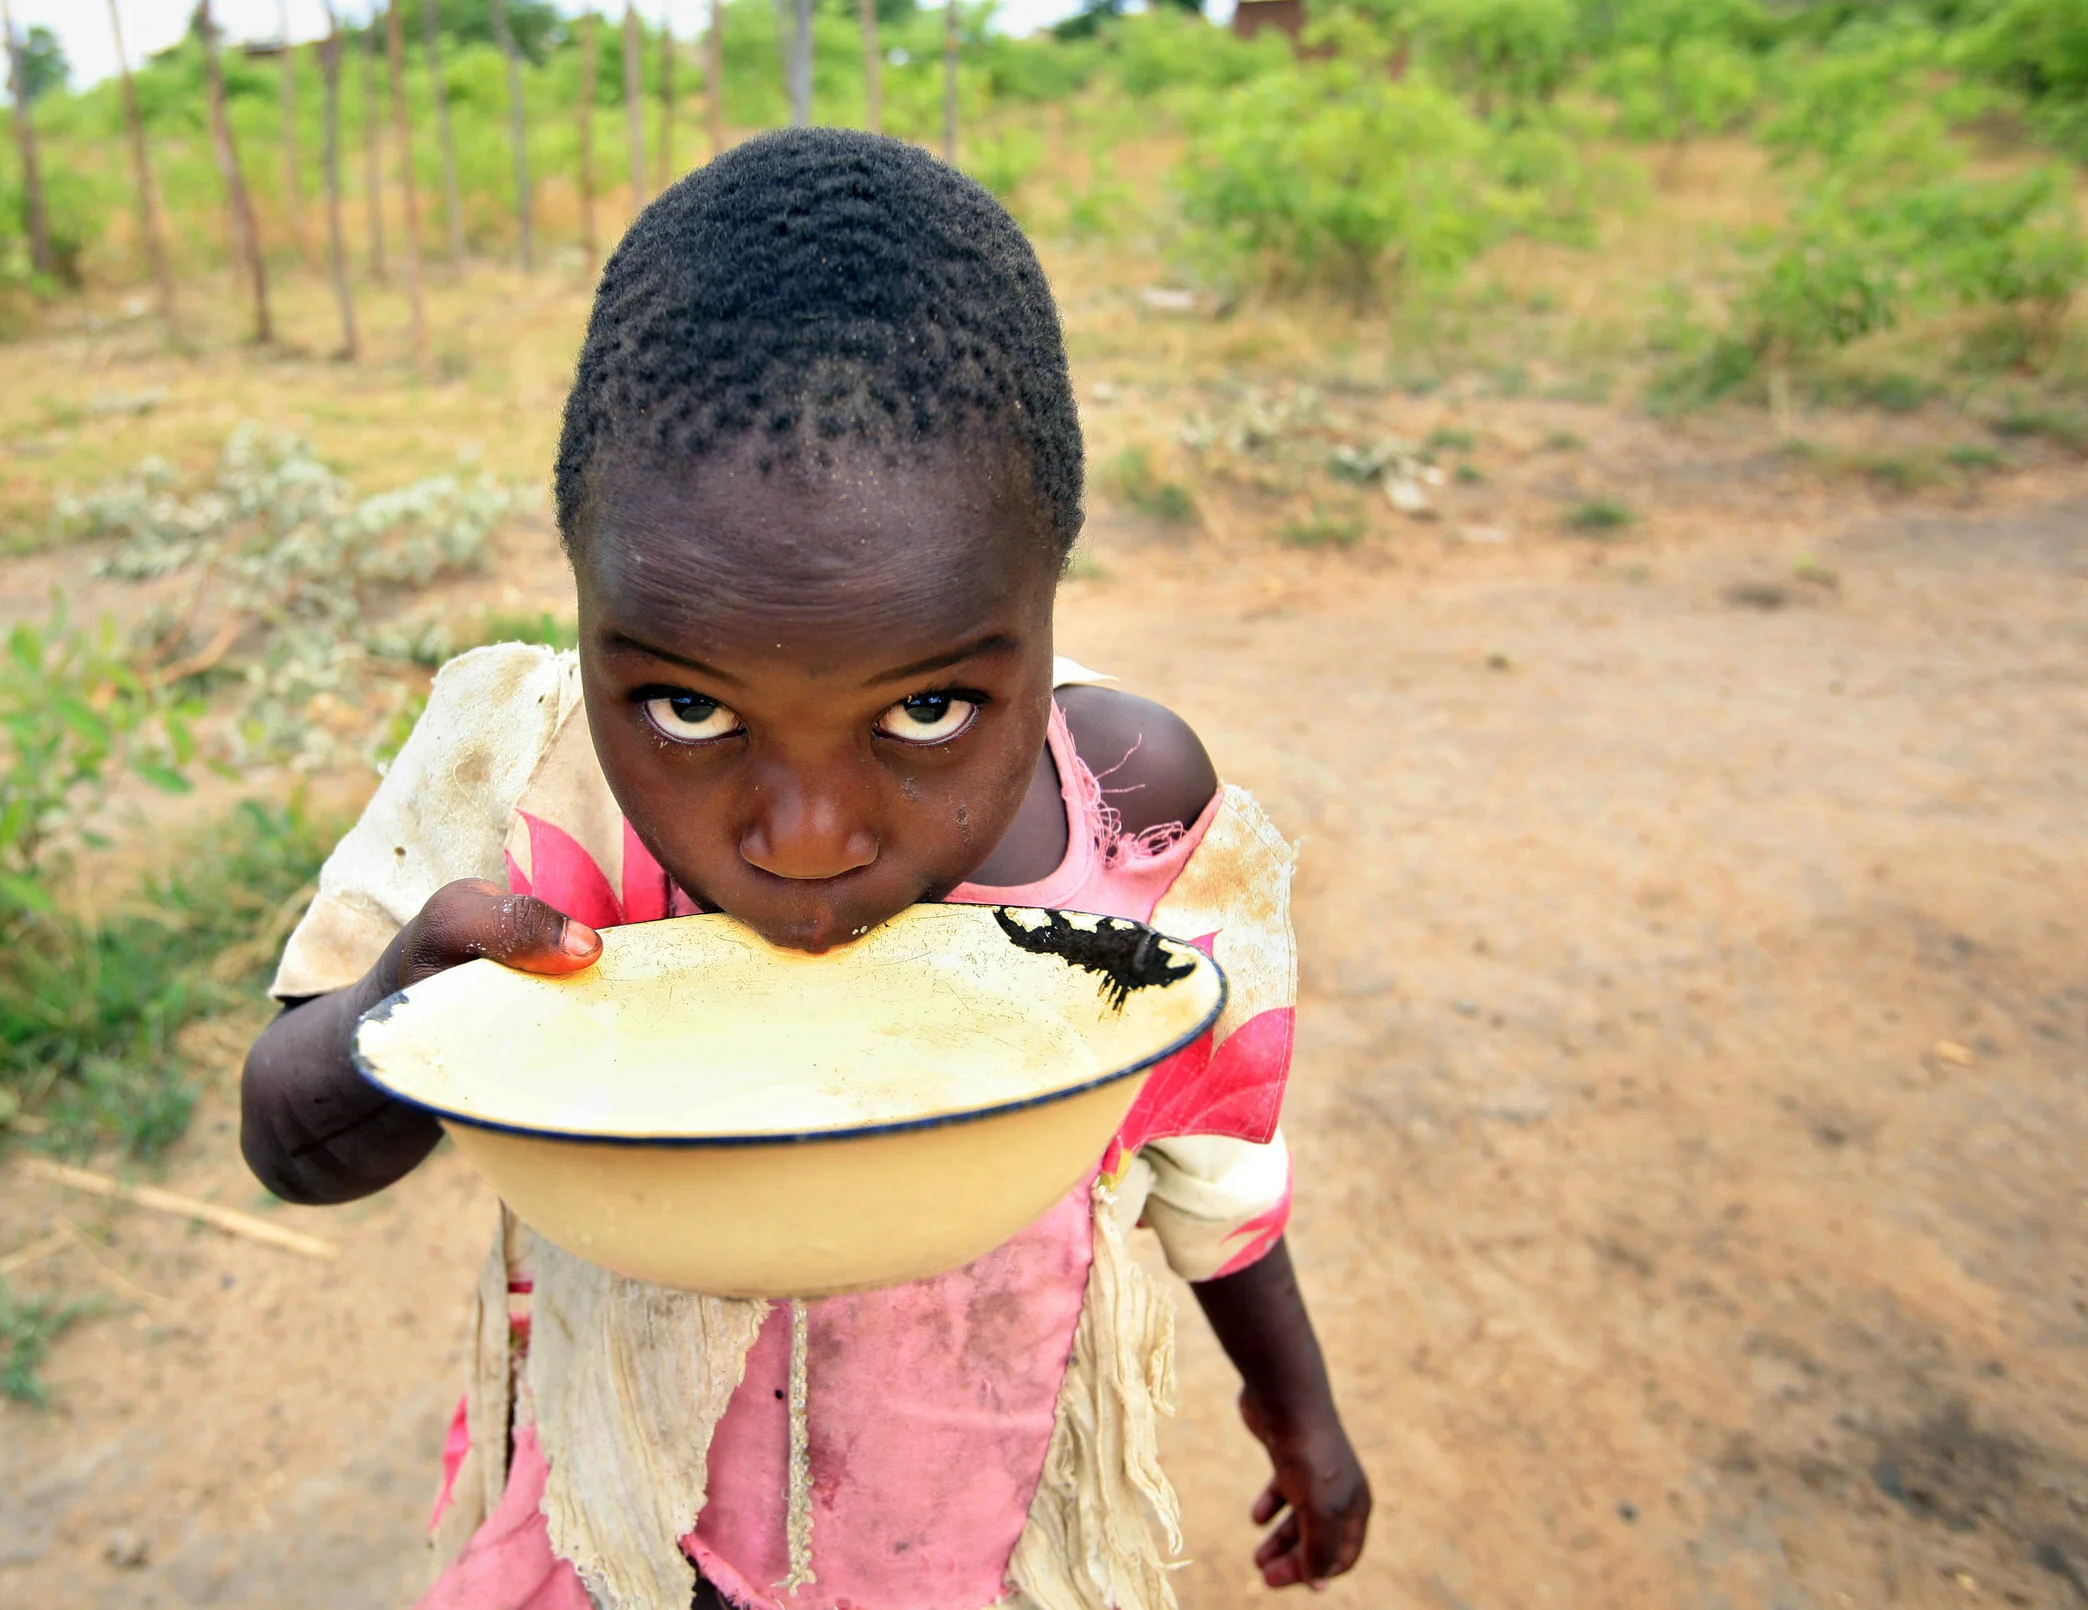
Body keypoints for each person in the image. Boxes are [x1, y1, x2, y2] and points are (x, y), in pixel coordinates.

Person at [239, 128, 1370, 1610]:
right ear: (583, 597)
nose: (808, 838)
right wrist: (399, 1014)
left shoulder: (1130, 818)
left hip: (966, 1537)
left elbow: (1215, 1165)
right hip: (622, 1535)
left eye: (927, 711)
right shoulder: (532, 783)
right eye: (691, 710)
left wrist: (1300, 1411)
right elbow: (287, 1135)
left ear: (1044, 607)